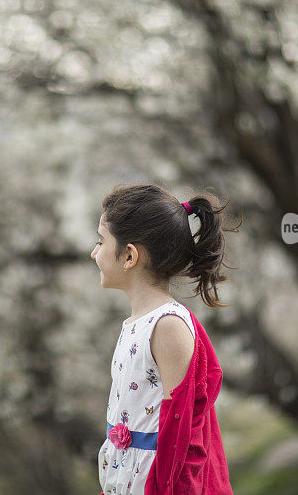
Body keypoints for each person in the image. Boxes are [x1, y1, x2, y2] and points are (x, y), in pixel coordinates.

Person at [91, 183, 240, 494]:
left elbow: (185, 434)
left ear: (129, 255)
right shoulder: (134, 323)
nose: (94, 252)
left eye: (101, 241)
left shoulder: (167, 326)